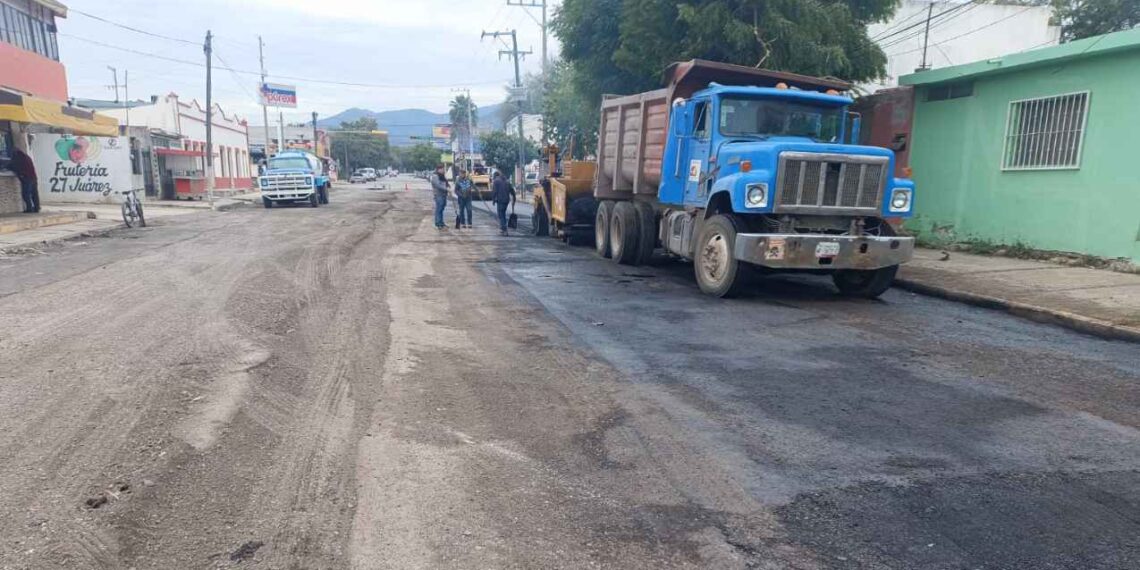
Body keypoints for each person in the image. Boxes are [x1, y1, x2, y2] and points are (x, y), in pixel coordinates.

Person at [11, 148, 39, 214]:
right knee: (34, 194)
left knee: (26, 194)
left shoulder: (19, 158)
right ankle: (36, 208)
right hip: (33, 177)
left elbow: (15, 167)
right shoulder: (27, 157)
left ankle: (29, 208)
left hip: (27, 178)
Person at [490, 171, 516, 236]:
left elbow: (494, 191)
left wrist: (493, 199)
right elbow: (512, 190)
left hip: (500, 200)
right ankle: (502, 228)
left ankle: (504, 229)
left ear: (495, 176)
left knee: (501, 215)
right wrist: (514, 198)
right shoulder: (507, 181)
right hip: (506, 200)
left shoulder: (496, 181)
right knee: (503, 214)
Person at [429, 163, 449, 230]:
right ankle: (438, 224)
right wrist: (446, 188)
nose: (443, 170)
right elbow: (438, 185)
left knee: (441, 210)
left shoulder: (442, 176)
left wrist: (448, 186)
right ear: (438, 169)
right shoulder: (435, 176)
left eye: (443, 169)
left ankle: (441, 223)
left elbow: (445, 183)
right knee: (439, 210)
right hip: (438, 195)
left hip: (443, 195)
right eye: (442, 169)